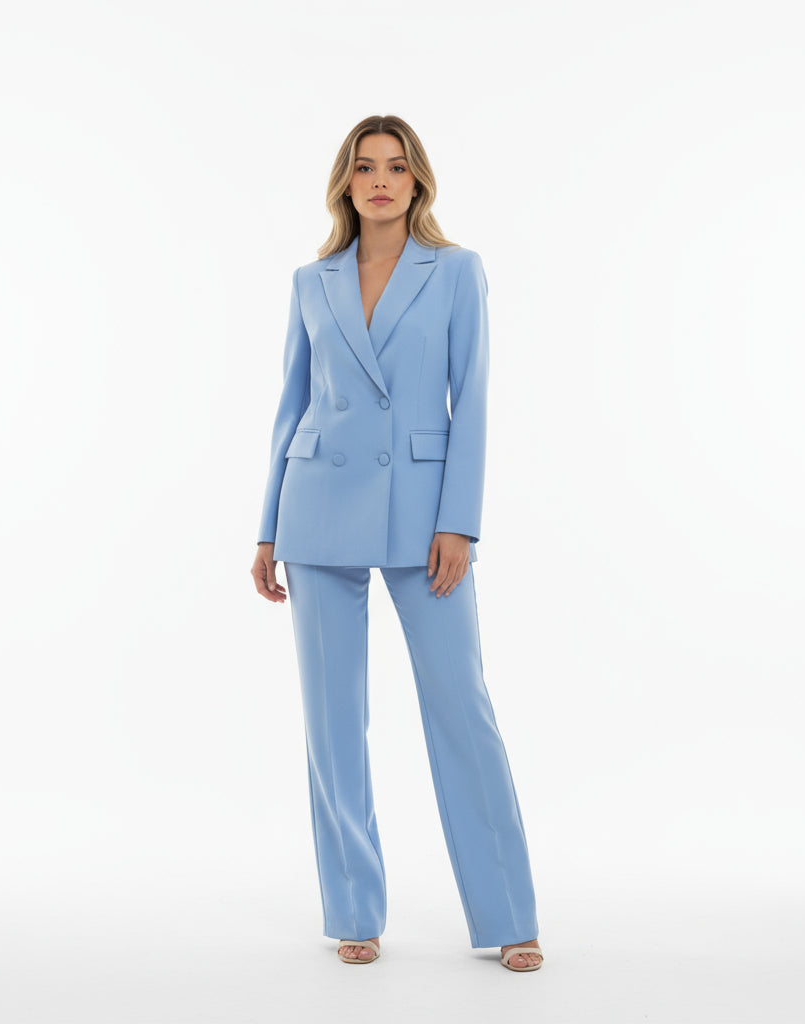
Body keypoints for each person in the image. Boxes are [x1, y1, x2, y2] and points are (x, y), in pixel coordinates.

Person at [250, 114, 543, 972]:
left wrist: (459, 521)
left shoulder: (455, 271)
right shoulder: (311, 281)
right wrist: (268, 528)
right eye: (365, 166)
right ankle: (353, 909)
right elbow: (291, 406)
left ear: (418, 181)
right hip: (317, 506)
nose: (381, 181)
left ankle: (509, 914)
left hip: (423, 513)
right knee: (333, 722)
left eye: (397, 166)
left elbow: (471, 399)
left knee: (461, 708)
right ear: (345, 182)